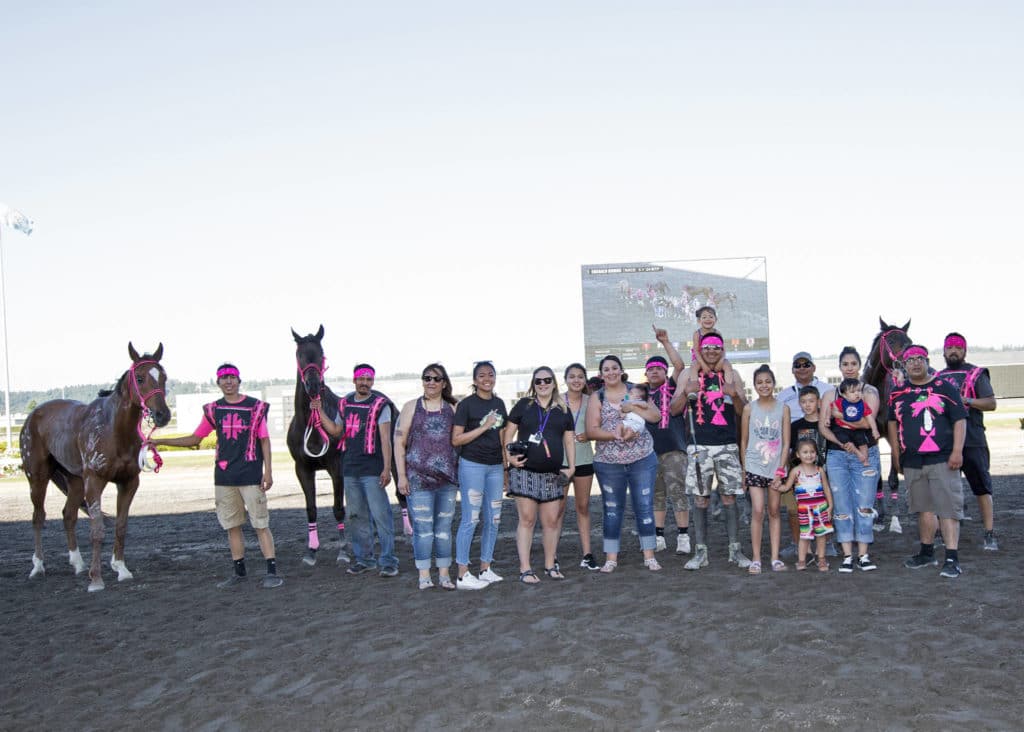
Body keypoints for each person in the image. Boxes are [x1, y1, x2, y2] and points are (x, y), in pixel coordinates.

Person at [150, 363, 282, 588]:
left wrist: (268, 471)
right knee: (232, 525)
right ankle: (239, 573)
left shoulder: (255, 407)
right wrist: (158, 441)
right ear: (218, 382)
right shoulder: (213, 410)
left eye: (232, 377)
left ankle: (271, 571)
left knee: (260, 523)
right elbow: (195, 439)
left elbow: (264, 440)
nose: (229, 382)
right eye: (224, 378)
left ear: (239, 381)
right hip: (224, 477)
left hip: (251, 475)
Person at [669, 332, 752, 571]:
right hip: (699, 445)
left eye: (717, 346)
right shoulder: (688, 374)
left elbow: (743, 410)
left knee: (729, 497)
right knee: (700, 499)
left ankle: (735, 551)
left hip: (726, 444)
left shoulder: (731, 374)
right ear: (700, 349)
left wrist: (734, 394)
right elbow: (674, 410)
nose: (712, 350)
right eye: (707, 347)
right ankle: (700, 553)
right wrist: (686, 392)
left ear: (723, 349)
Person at [889, 345, 968, 579]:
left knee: (948, 508)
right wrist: (896, 456)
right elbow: (892, 424)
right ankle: (926, 552)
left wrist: (957, 451)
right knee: (923, 508)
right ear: (904, 364)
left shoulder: (945, 387)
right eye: (910, 360)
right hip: (912, 460)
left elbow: (960, 420)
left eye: (919, 359)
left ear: (927, 360)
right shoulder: (898, 392)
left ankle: (952, 557)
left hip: (943, 458)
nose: (914, 363)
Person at [314, 363, 399, 578]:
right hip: (350, 468)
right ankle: (364, 559)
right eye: (361, 379)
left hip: (372, 469)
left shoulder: (381, 405)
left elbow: (385, 439)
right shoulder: (345, 403)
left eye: (369, 379)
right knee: (356, 516)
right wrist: (319, 411)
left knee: (381, 516)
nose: (365, 383)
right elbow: (335, 430)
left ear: (373, 381)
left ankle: (389, 561)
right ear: (354, 380)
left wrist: (387, 468)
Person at [585, 354, 662, 573]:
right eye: (606, 369)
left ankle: (649, 555)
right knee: (612, 509)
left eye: (614, 368)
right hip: (609, 463)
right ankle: (611, 558)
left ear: (621, 370)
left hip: (642, 459)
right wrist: (616, 436)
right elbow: (591, 430)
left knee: (644, 506)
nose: (611, 372)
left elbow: (655, 416)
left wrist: (632, 408)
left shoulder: (636, 390)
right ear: (601, 374)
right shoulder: (597, 397)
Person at [503, 366, 576, 584]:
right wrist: (509, 457)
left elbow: (569, 440)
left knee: (551, 522)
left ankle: (550, 565)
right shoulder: (524, 405)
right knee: (527, 520)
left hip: (552, 474)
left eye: (547, 380)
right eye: (538, 381)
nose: (542, 384)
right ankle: (525, 569)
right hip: (525, 471)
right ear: (533, 385)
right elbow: (507, 434)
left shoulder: (563, 409)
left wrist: (571, 467)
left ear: (554, 383)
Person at [393, 364, 460, 590]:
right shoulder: (411, 407)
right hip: (418, 480)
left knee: (443, 529)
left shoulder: (453, 408)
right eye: (427, 378)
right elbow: (399, 443)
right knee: (423, 530)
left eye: (436, 378)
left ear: (444, 383)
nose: (431, 382)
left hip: (447, 481)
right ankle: (424, 575)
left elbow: (462, 438)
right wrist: (401, 476)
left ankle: (443, 574)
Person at [818, 346, 882, 571]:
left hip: (866, 454)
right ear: (840, 367)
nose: (849, 368)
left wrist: (838, 415)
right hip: (837, 454)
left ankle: (863, 555)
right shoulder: (829, 394)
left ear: (859, 365)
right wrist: (840, 442)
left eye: (853, 364)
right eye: (845, 364)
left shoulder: (869, 392)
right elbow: (822, 427)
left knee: (864, 504)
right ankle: (847, 555)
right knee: (842, 505)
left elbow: (866, 422)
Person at [451, 361, 509, 590]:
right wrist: (485, 426)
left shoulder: (499, 403)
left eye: (491, 374)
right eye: (482, 375)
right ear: (475, 380)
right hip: (472, 466)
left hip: (495, 467)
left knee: (494, 518)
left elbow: (503, 439)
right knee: (470, 519)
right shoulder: (466, 405)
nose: (487, 378)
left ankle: (485, 568)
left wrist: (505, 469)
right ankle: (463, 574)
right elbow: (456, 439)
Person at [938, 332, 999, 551]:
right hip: (945, 442)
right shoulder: (938, 377)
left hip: (973, 440)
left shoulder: (976, 374)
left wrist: (968, 400)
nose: (953, 351)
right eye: (949, 348)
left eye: (958, 347)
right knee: (943, 490)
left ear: (965, 350)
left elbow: (991, 403)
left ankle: (989, 532)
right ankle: (942, 532)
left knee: (982, 488)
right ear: (944, 351)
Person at [740, 364, 790, 573]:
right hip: (754, 466)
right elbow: (743, 441)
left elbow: (786, 442)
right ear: (754, 385)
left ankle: (775, 558)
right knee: (758, 510)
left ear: (774, 384)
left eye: (768, 381)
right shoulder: (749, 408)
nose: (764, 385)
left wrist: (781, 469)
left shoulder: (783, 408)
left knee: (774, 511)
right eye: (759, 382)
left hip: (775, 467)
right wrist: (744, 469)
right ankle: (756, 558)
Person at [646, 327, 691, 556]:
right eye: (650, 369)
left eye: (658, 369)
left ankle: (683, 535)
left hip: (674, 450)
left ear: (664, 373)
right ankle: (659, 535)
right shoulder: (642, 393)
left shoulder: (671, 387)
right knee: (657, 495)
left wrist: (665, 342)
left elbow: (680, 366)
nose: (654, 372)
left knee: (678, 492)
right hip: (649, 453)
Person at [780, 386, 827, 559]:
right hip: (798, 477)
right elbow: (787, 449)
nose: (808, 405)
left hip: (822, 476)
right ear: (799, 404)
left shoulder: (826, 424)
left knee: (823, 510)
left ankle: (825, 544)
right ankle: (798, 544)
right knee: (794, 511)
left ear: (819, 402)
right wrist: (785, 473)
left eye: (811, 401)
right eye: (804, 401)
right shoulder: (795, 426)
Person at [561, 363, 598, 569]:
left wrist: (589, 435)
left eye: (580, 377)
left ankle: (587, 554)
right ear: (565, 379)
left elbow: (598, 425)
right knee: (557, 509)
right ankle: (553, 556)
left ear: (585, 380)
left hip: (584, 460)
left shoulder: (591, 400)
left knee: (582, 507)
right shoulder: (557, 401)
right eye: (572, 376)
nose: (576, 380)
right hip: (561, 463)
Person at [783, 439, 835, 572]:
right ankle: (801, 560)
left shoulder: (819, 470)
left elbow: (826, 488)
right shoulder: (796, 471)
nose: (809, 455)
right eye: (805, 452)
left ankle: (822, 559)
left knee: (821, 535)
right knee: (804, 535)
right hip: (804, 509)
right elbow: (787, 487)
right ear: (798, 454)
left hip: (820, 507)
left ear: (816, 453)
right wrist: (778, 486)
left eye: (812, 451)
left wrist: (830, 505)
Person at [829, 378, 880, 466]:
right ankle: (858, 453)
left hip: (857, 430)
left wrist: (874, 430)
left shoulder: (862, 404)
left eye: (859, 391)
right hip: (842, 429)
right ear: (844, 395)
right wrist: (827, 418)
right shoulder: (840, 402)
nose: (857, 394)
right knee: (846, 442)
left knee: (863, 445)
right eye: (853, 392)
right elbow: (830, 409)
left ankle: (865, 460)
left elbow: (870, 418)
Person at [681, 306, 735, 385]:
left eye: (711, 317)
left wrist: (720, 362)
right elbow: (696, 350)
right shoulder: (697, 334)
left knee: (727, 364)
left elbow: (723, 349)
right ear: (699, 320)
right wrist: (703, 365)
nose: (708, 319)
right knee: (694, 365)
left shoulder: (717, 333)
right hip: (701, 360)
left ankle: (728, 387)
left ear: (715, 319)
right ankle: (694, 387)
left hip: (715, 360)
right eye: (704, 317)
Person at [779, 352, 832, 423]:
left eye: (806, 365)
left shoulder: (828, 390)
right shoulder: (782, 396)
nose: (802, 368)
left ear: (814, 368)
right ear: (792, 370)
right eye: (797, 365)